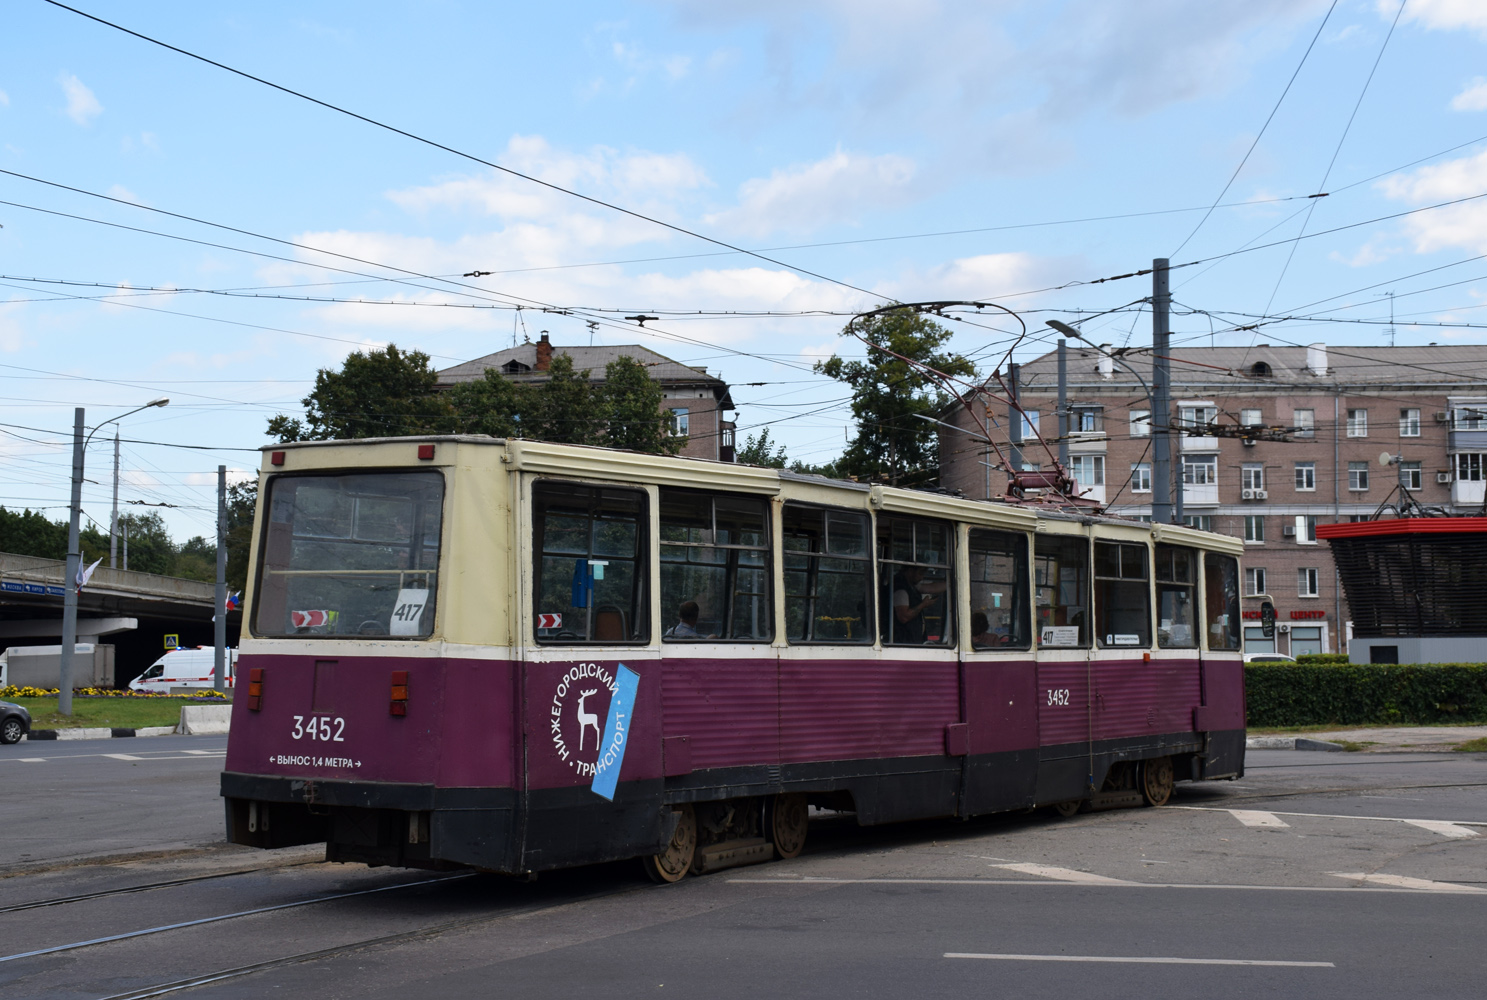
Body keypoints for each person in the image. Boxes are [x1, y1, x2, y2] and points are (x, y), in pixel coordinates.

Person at [891, 565, 947, 644]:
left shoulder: (910, 585)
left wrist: (951, 584)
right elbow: (904, 617)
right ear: (910, 571)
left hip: (913, 639)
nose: (922, 578)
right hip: (904, 641)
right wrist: (923, 604)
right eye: (920, 573)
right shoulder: (901, 588)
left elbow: (931, 588)